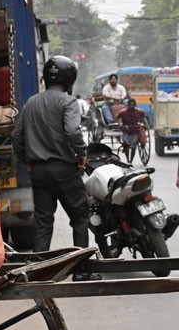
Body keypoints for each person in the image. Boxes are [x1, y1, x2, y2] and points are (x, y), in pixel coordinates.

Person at [12, 55, 99, 281]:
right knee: (79, 217)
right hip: (64, 170)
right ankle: (82, 272)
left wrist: (27, 160)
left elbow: (17, 136)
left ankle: (39, 274)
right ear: (69, 80)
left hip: (39, 172)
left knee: (43, 222)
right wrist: (81, 154)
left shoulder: (31, 102)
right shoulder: (67, 102)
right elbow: (72, 131)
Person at [117, 98, 147, 164]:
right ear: (128, 105)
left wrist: (143, 124)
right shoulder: (123, 112)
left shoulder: (140, 112)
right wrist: (121, 125)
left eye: (133, 105)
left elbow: (143, 121)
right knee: (125, 144)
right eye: (130, 105)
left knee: (133, 145)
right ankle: (128, 159)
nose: (131, 106)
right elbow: (119, 121)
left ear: (135, 105)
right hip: (126, 130)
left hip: (135, 131)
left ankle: (131, 160)